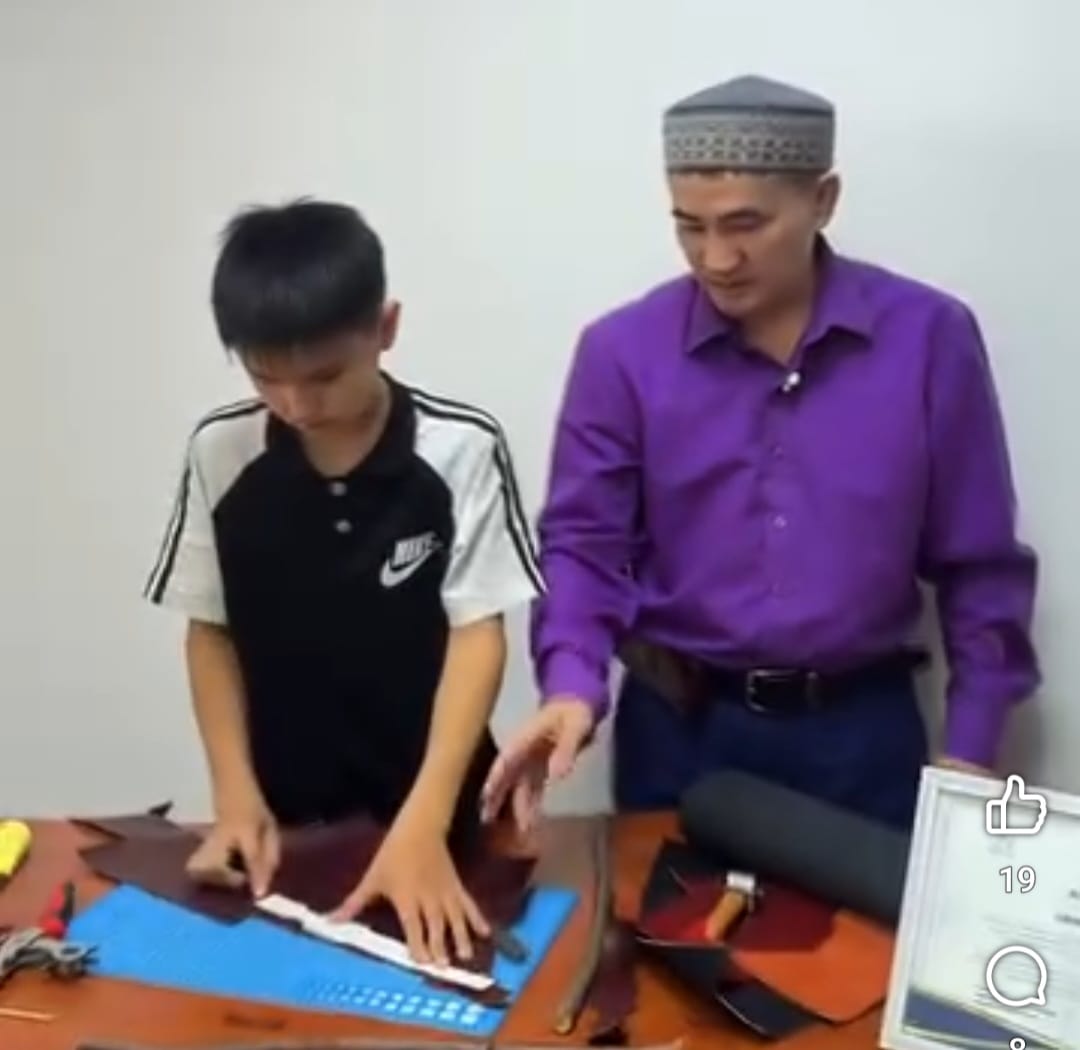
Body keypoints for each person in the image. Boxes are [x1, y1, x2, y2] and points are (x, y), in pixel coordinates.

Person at [481, 74, 1039, 832]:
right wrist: (571, 684)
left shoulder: (928, 340)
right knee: (662, 915)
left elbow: (980, 562)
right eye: (690, 226)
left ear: (823, 200)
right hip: (682, 735)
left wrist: (972, 747)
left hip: (862, 739)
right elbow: (584, 545)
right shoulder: (622, 354)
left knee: (872, 916)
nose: (716, 258)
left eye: (746, 224)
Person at [144, 198, 543, 964]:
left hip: (438, 809)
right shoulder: (220, 451)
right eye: (266, 378)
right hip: (288, 818)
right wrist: (233, 795)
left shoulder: (460, 446)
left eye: (324, 376)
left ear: (385, 328)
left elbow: (478, 636)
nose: (296, 405)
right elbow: (209, 631)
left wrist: (424, 825)